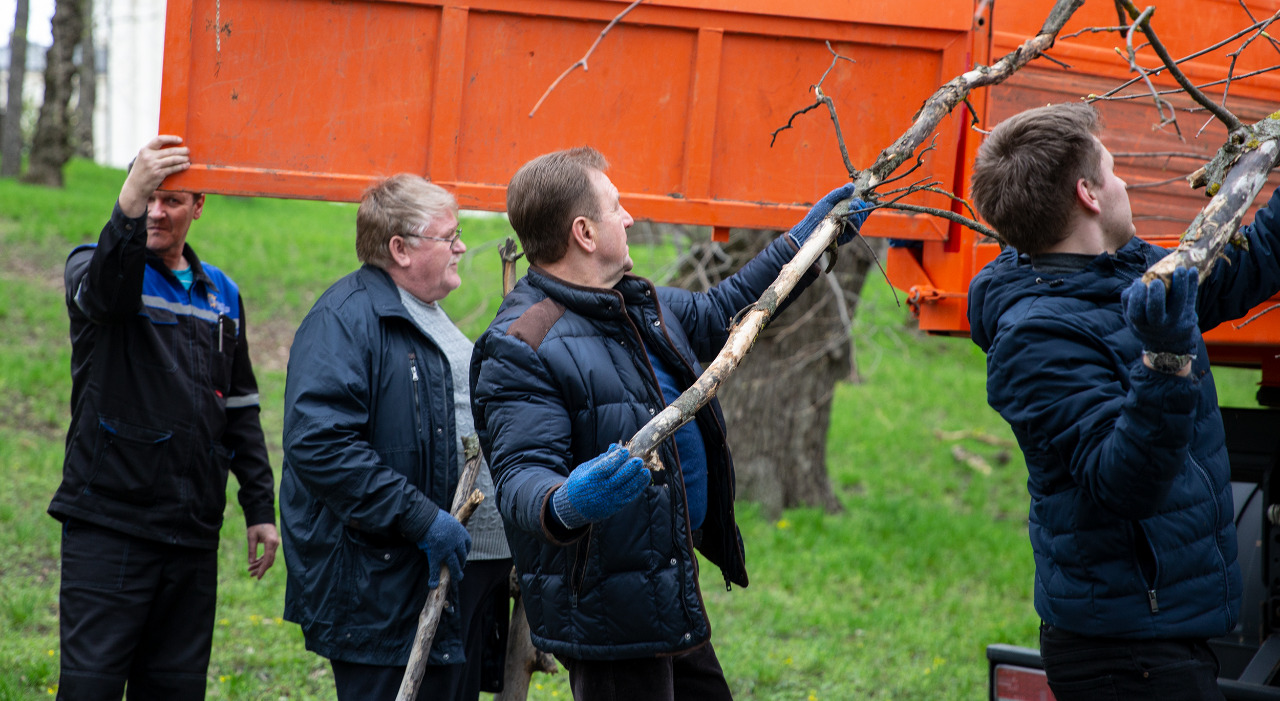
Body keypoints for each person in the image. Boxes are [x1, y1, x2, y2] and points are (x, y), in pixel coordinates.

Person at [469, 147, 868, 701]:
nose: (629, 217)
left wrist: (807, 242)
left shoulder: (634, 305)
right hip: (607, 615)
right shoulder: (523, 344)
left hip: (664, 592)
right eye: (616, 207)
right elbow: (518, 477)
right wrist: (566, 502)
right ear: (584, 232)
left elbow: (727, 307)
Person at [966, 102, 1280, 701]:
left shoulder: (1120, 271)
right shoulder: (1033, 338)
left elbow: (1247, 266)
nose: (1124, 182)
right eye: (1112, 171)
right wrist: (1165, 360)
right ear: (1087, 194)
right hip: (1124, 656)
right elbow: (1123, 483)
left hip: (1164, 634)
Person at [49, 134, 279, 700]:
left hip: (191, 534)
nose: (156, 211)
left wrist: (258, 507)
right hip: (111, 524)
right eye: (147, 196)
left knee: (175, 691)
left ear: (199, 206)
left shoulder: (221, 293)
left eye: (171, 199)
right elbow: (105, 294)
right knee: (90, 689)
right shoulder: (95, 266)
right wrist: (127, 202)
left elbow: (241, 406)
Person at [280, 173, 512, 701]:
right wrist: (422, 518)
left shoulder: (425, 311)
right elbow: (320, 444)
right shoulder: (346, 318)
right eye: (448, 236)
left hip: (460, 573)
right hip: (388, 586)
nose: (460, 247)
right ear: (400, 248)